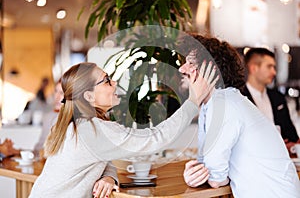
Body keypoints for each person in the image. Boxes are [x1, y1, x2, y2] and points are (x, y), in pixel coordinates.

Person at [29, 62, 217, 198]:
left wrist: (109, 177)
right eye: (106, 80)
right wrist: (194, 101)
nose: (115, 84)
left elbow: (100, 156)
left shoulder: (72, 123)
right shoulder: (94, 130)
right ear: (89, 96)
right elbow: (155, 138)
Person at [180, 34, 300, 197]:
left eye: (191, 64)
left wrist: (201, 174)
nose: (182, 69)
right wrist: (196, 172)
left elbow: (216, 178)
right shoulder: (214, 104)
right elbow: (205, 165)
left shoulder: (224, 103)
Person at [32, 79, 120, 198]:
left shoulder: (89, 125)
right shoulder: (78, 127)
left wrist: (109, 178)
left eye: (62, 93)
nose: (59, 97)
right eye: (56, 91)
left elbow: (102, 159)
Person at [241, 47, 300, 152]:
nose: (274, 72)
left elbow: (292, 136)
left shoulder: (278, 97)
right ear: (253, 68)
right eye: (269, 67)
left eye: (274, 67)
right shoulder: (240, 98)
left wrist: (291, 145)